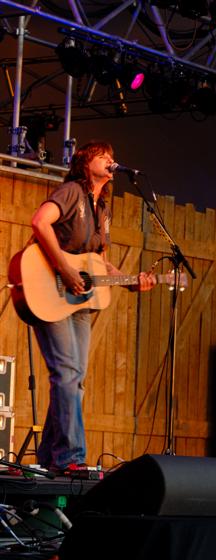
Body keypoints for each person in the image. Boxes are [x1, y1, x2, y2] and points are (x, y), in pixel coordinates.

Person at [31, 141, 156, 474]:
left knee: (76, 378)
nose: (111, 161)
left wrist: (130, 280)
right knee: (67, 373)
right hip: (49, 288)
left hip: (78, 301)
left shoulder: (103, 210)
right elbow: (40, 222)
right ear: (85, 164)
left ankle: (50, 457)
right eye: (103, 156)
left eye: (112, 157)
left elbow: (100, 263)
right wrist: (65, 269)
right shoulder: (71, 191)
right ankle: (70, 457)